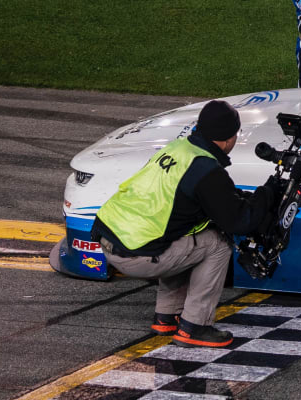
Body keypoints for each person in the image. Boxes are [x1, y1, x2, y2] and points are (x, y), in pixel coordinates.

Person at [91, 100, 277, 348]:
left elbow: (195, 197)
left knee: (185, 238)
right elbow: (239, 222)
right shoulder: (207, 170)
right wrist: (268, 192)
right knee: (218, 242)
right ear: (229, 138)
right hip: (137, 254)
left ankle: (167, 317)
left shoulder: (179, 148)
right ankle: (195, 326)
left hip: (112, 239)